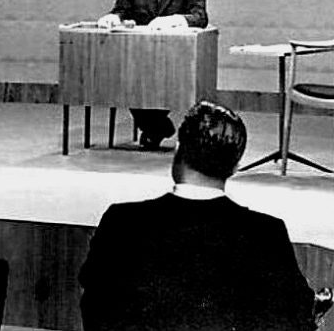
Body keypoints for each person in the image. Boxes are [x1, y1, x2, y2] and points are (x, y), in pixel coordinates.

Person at [79, 100, 316, 331]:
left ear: (179, 151)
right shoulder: (266, 234)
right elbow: (296, 319)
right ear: (235, 167)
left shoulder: (122, 222)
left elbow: (95, 309)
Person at [97, 0, 208, 150]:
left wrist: (173, 21)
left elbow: (200, 17)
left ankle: (153, 128)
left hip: (175, 54)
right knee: (126, 77)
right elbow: (121, 9)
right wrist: (112, 18)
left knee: (165, 79)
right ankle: (158, 127)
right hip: (139, 54)